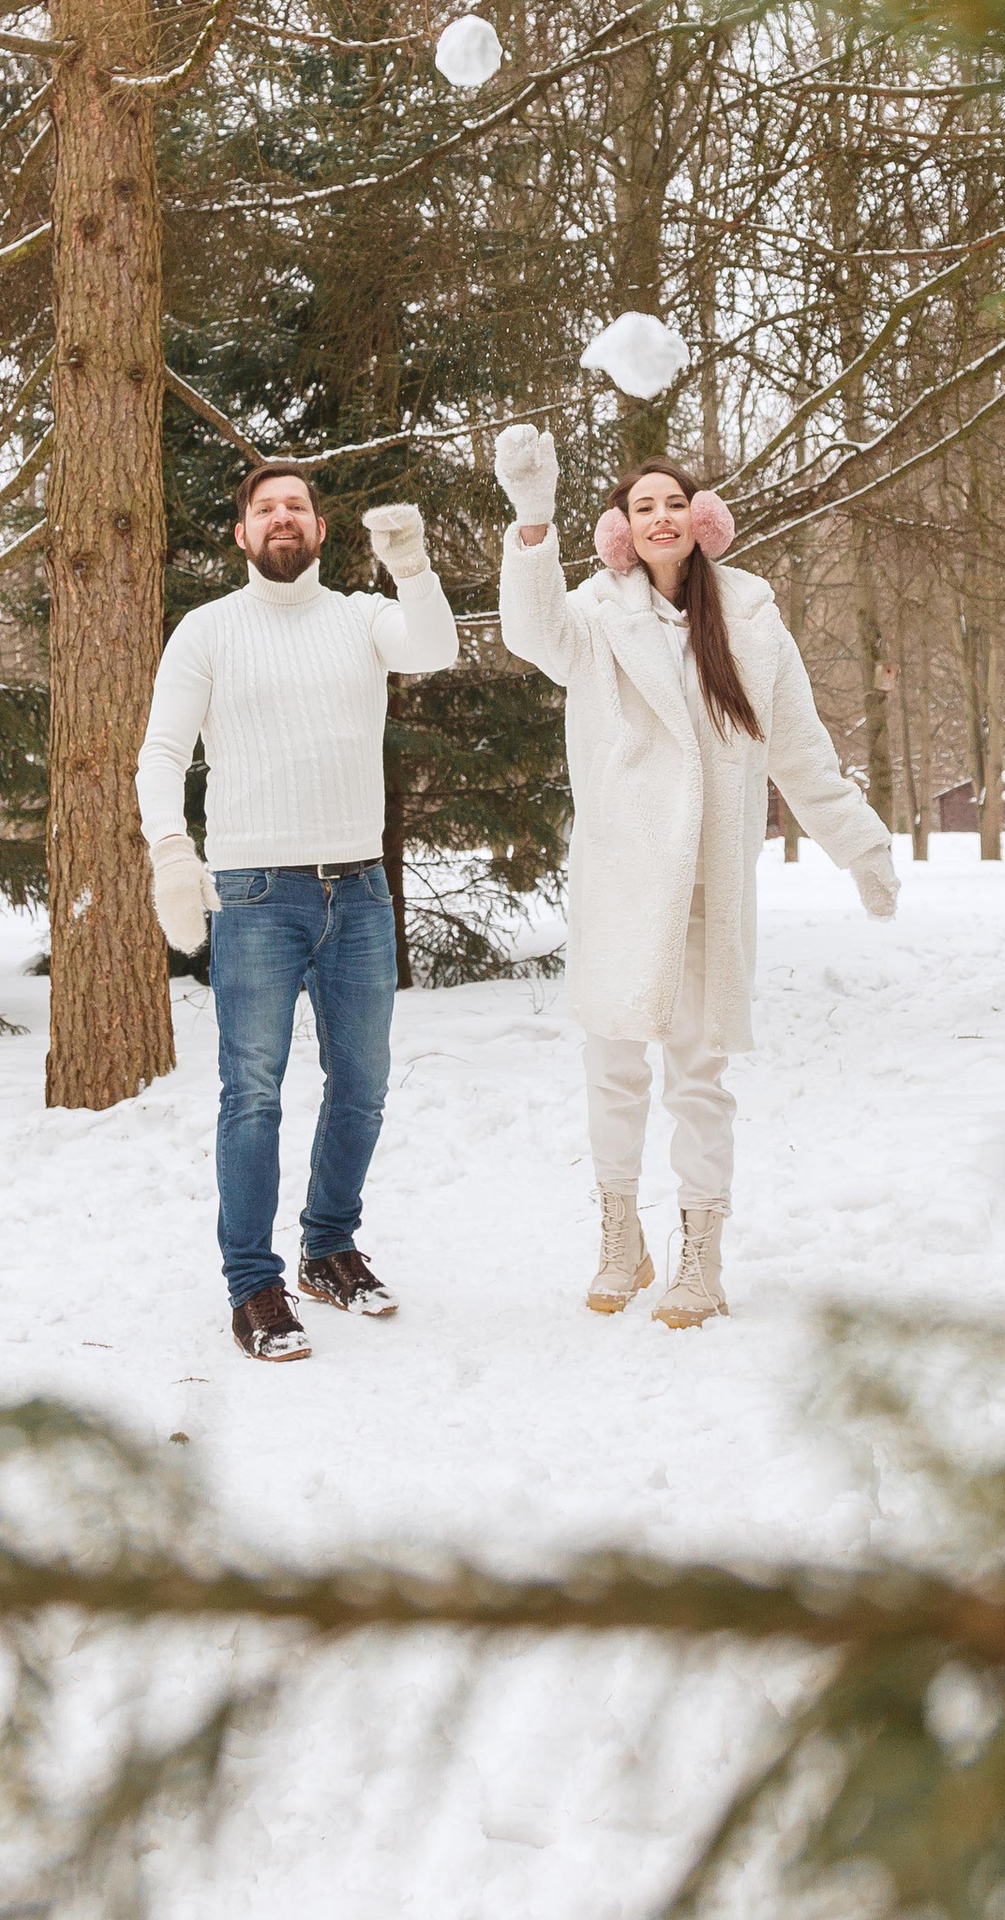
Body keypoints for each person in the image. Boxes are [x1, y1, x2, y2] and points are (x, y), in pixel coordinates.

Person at [495, 427, 898, 1326]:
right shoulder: (594, 617)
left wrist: (861, 846)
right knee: (611, 1073)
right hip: (621, 886)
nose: (662, 517)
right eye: (644, 507)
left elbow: (800, 751)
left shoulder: (751, 618)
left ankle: (701, 1257)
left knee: (697, 1079)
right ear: (622, 531)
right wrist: (530, 521)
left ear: (701, 520)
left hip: (709, 890)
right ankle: (619, 1238)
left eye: (675, 503)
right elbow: (531, 632)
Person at [136, 461, 457, 1362]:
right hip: (253, 895)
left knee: (361, 1087)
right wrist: (170, 848)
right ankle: (254, 1285)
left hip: (358, 890)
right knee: (254, 1097)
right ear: (241, 535)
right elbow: (161, 752)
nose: (283, 518)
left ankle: (328, 1248)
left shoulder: (362, 616)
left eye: (298, 507)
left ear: (320, 531)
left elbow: (433, 648)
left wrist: (414, 568)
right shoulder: (206, 631)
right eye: (265, 508)